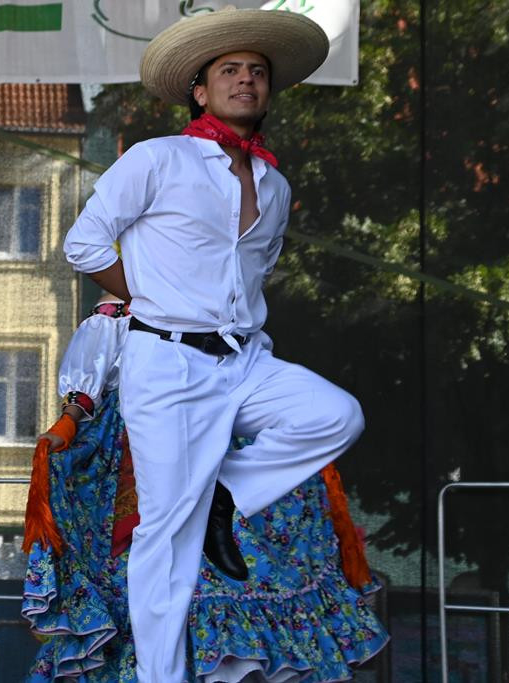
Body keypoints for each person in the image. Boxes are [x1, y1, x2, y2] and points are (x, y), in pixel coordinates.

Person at [63, 9, 367, 681]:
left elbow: (248, 278)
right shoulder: (157, 159)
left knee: (336, 414)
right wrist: (149, 297)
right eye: (230, 70)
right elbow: (82, 245)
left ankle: (226, 493)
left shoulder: (277, 186)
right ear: (199, 90)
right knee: (164, 537)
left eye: (257, 72)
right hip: (166, 360)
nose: (246, 80)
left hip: (245, 356)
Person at [22, 292, 388, 681]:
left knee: (227, 575)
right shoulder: (134, 280)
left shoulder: (223, 277)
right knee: (160, 574)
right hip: (149, 433)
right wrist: (72, 416)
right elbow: (98, 351)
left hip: (220, 428)